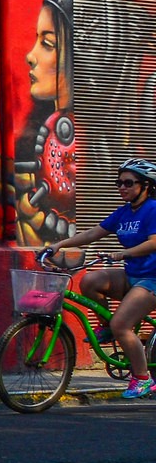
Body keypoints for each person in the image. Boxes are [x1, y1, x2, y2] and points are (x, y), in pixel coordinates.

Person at [41, 157, 156, 399]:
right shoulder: (124, 212)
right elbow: (94, 233)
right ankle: (107, 328)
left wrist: (123, 253)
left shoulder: (152, 209)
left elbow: (154, 243)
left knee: (122, 324)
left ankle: (143, 379)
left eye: (128, 183)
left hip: (152, 279)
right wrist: (59, 244)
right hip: (133, 274)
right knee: (90, 281)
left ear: (146, 186)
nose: (122, 187)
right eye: (119, 183)